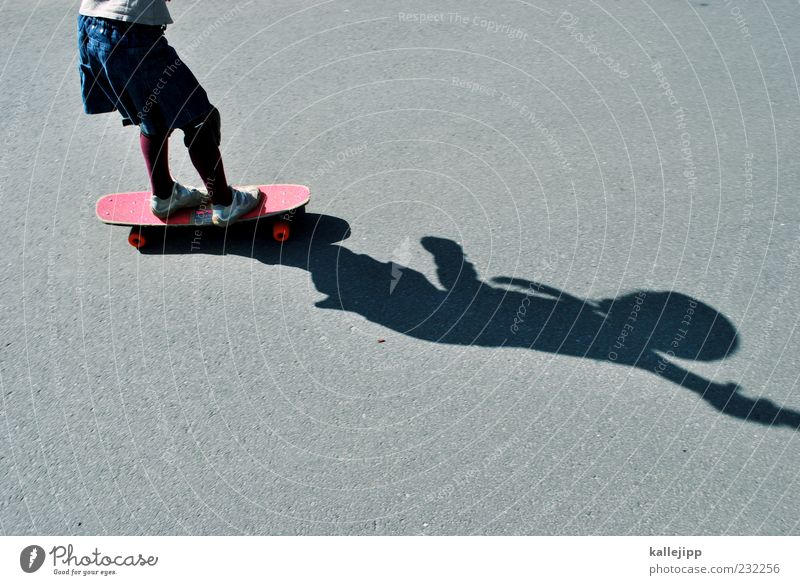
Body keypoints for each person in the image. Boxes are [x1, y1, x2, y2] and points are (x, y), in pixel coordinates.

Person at [77, 0, 260, 225]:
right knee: (198, 118)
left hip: (90, 24)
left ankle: (164, 196)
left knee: (151, 115)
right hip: (129, 33)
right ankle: (226, 203)